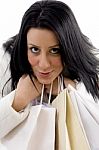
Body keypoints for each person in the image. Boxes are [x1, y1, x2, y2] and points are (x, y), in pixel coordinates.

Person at [0, 0, 99, 149]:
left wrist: (72, 89)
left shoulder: (88, 61)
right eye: (34, 49)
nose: (44, 64)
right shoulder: (5, 60)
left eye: (55, 50)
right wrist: (17, 100)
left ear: (69, 48)